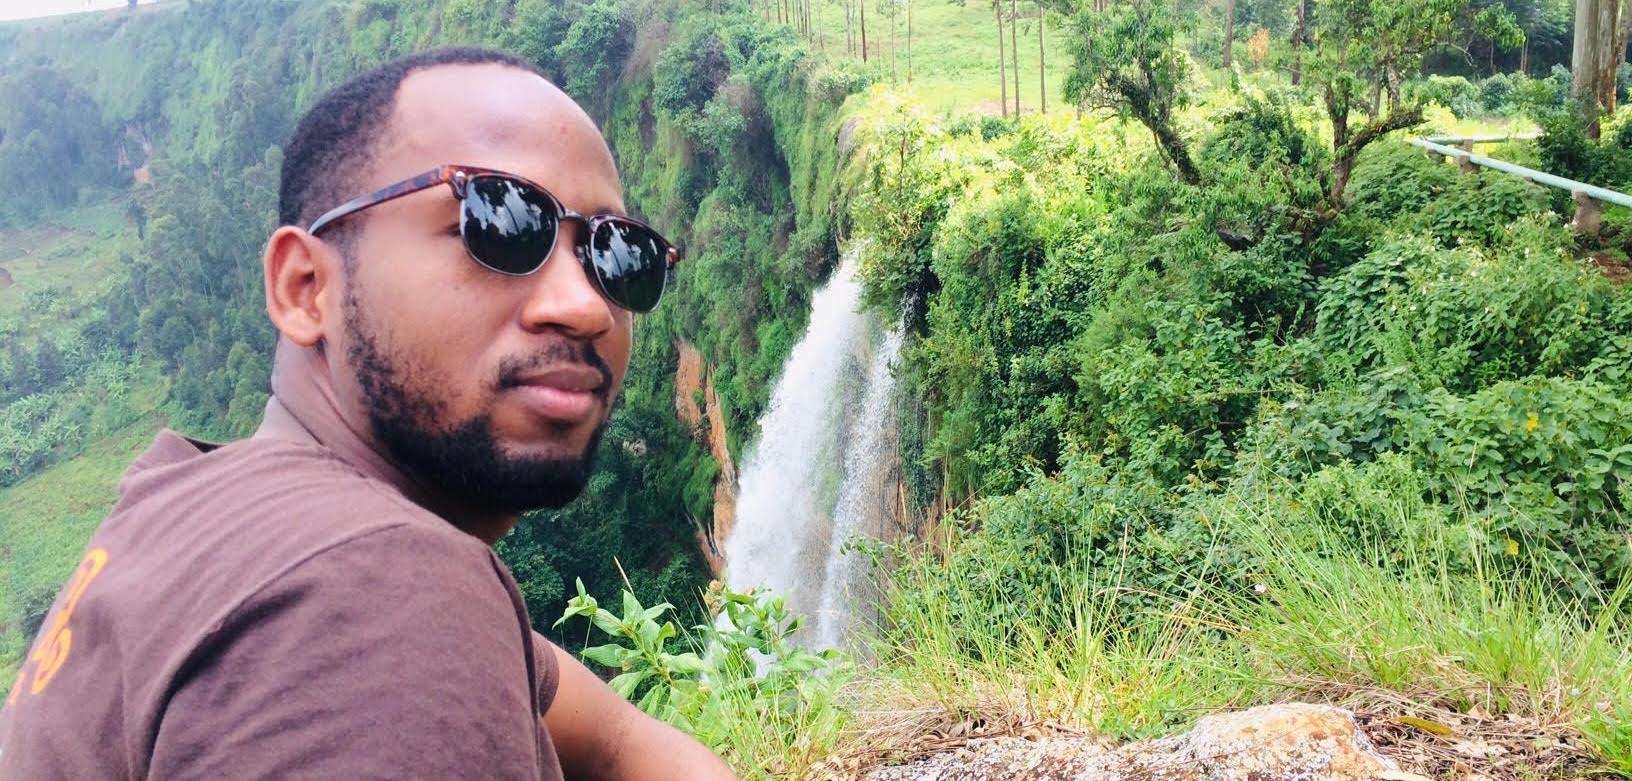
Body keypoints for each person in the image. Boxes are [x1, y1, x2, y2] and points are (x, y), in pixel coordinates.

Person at [0, 47, 738, 780]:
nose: (583, 305)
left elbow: (611, 736)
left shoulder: (192, 501)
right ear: (304, 288)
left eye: (615, 254)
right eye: (500, 225)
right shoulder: (373, 594)